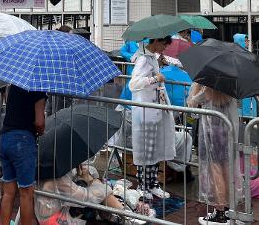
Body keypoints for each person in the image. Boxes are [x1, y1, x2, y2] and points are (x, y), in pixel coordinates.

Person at [128, 37, 176, 202]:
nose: (164, 48)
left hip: (154, 110)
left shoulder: (151, 58)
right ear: (155, 41)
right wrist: (155, 79)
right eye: (163, 44)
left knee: (154, 150)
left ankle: (153, 183)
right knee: (146, 151)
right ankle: (143, 185)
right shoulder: (143, 59)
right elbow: (133, 84)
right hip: (145, 112)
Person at [187, 82, 240, 225]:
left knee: (215, 170)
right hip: (228, 130)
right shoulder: (230, 82)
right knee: (228, 169)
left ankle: (220, 211)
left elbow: (193, 104)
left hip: (213, 130)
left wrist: (196, 88)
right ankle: (229, 209)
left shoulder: (208, 83)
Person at [0, 84, 47, 225]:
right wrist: (42, 130)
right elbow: (39, 122)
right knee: (26, 193)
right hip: (22, 141)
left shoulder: (13, 85)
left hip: (5, 138)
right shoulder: (39, 88)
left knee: (8, 192)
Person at [35, 164, 144, 225]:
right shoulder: (57, 180)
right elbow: (88, 198)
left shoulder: (45, 170)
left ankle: (127, 216)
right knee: (98, 196)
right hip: (56, 220)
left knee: (98, 193)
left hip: (61, 212)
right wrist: (90, 179)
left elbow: (90, 169)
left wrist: (85, 174)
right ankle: (128, 216)